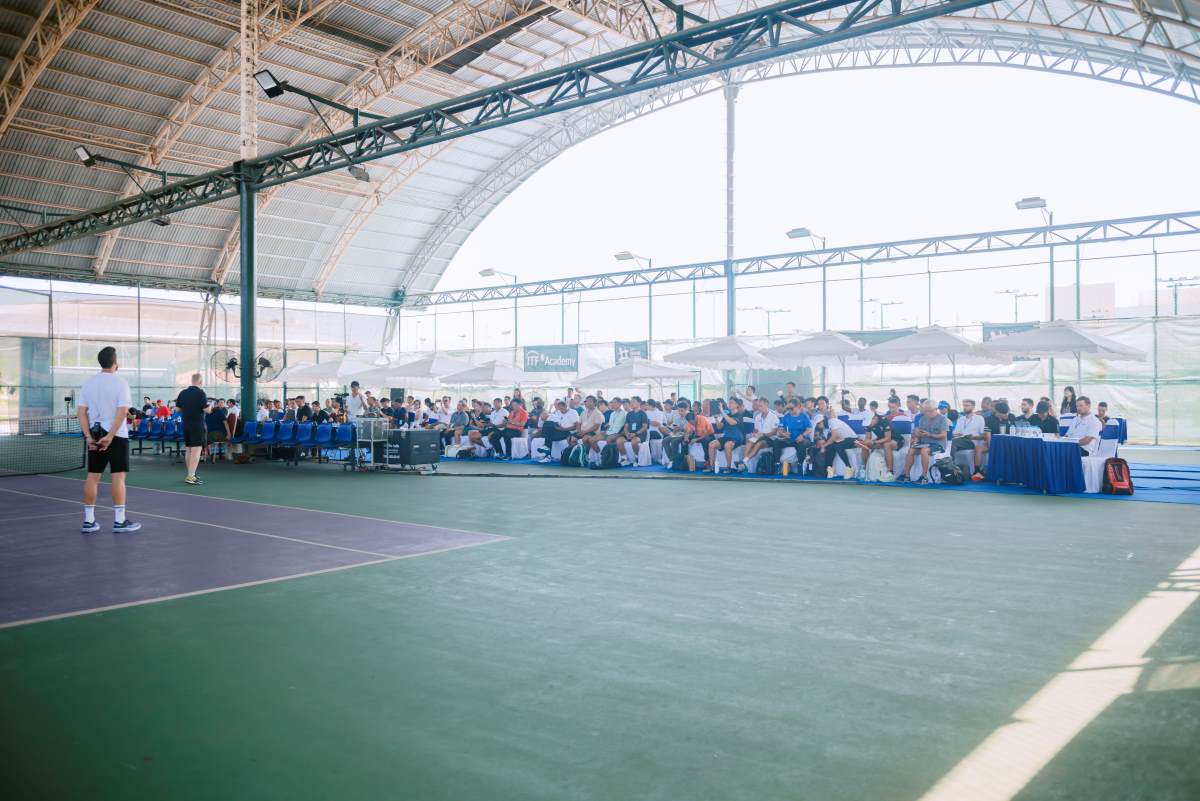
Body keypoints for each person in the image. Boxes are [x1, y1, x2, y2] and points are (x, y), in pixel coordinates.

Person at [77, 347, 141, 533]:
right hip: (117, 435)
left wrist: (89, 436)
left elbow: (81, 412)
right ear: (115, 362)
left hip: (95, 434)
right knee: (118, 476)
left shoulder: (89, 384)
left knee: (93, 476)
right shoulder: (121, 383)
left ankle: (89, 522)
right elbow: (122, 412)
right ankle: (119, 521)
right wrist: (111, 435)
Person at [897, 401, 948, 484]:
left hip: (938, 445)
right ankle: (907, 476)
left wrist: (930, 435)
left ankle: (924, 476)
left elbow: (943, 435)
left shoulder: (942, 419)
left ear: (936, 409)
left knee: (924, 450)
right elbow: (918, 433)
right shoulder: (923, 418)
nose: (928, 413)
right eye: (926, 411)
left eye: (930, 411)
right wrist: (917, 435)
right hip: (924, 443)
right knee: (911, 450)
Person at [173, 373, 208, 485]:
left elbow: (177, 409)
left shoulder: (183, 393)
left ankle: (190, 474)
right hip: (197, 424)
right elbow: (207, 410)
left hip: (186, 424)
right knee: (196, 450)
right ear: (200, 382)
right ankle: (191, 476)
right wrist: (211, 407)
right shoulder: (201, 393)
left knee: (189, 449)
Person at [951, 399, 987, 480]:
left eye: (967, 405)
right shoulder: (961, 419)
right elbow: (955, 433)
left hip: (972, 441)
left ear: (973, 407)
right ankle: (954, 467)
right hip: (960, 440)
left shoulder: (979, 418)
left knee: (953, 443)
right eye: (964, 405)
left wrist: (972, 437)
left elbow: (983, 435)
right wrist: (957, 434)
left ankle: (951, 467)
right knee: (951, 443)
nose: (965, 407)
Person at [205, 397, 229, 462]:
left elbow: (225, 423)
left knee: (207, 438)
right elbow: (206, 426)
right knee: (202, 438)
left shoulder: (219, 411)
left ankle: (211, 455)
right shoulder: (207, 414)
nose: (208, 405)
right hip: (211, 434)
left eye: (210, 404)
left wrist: (229, 434)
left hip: (219, 433)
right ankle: (203, 455)